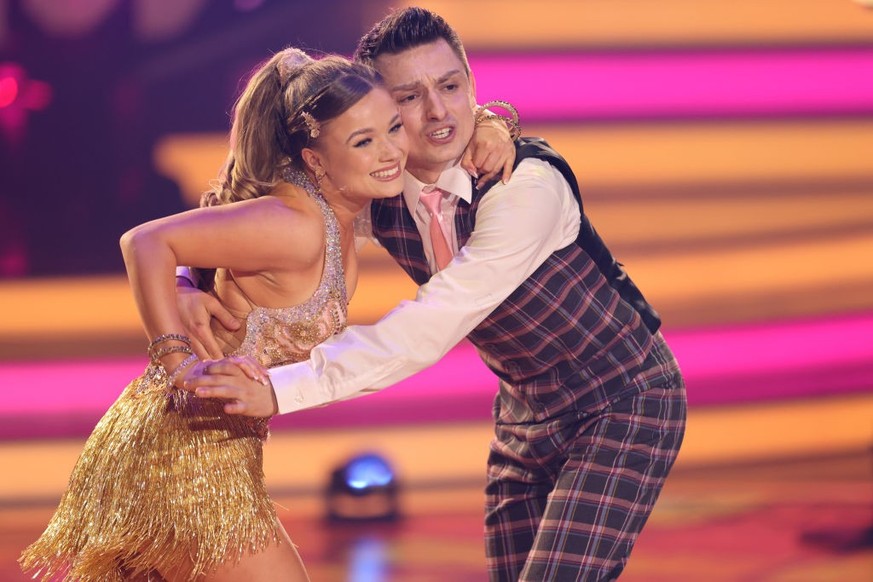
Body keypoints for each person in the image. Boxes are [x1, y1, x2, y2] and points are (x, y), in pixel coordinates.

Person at [184, 7, 687, 582]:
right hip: (526, 415)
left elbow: (430, 325)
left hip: (623, 397)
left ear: (471, 86)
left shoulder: (523, 188)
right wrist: (189, 282)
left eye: (450, 87)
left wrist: (279, 388)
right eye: (409, 97)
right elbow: (235, 209)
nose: (438, 111)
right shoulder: (381, 186)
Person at [19, 45, 513, 582]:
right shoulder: (294, 226)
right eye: (363, 141)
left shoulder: (346, 205)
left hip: (214, 454)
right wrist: (176, 357)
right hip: (186, 461)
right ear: (315, 160)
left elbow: (435, 138)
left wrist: (492, 123)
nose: (391, 151)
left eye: (392, 128)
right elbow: (145, 242)